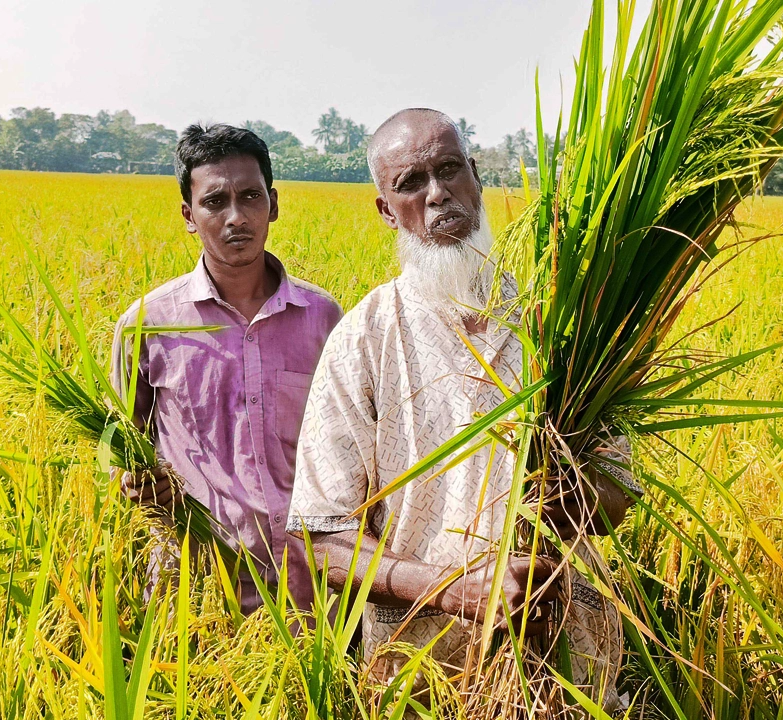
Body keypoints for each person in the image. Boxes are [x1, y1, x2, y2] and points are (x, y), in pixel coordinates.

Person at [286, 108, 639, 707]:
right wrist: (454, 591)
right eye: (410, 183)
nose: (437, 192)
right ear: (384, 210)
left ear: (475, 176)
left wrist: (569, 501)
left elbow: (618, 492)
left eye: (449, 169)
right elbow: (322, 537)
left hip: (572, 671)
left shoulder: (558, 319)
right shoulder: (366, 337)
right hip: (418, 681)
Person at [112, 123, 343, 614]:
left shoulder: (323, 318)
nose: (236, 217)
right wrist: (133, 480)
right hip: (195, 586)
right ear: (188, 215)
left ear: (273, 205)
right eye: (214, 202)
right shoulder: (146, 326)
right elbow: (121, 449)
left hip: (310, 587)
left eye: (250, 197)